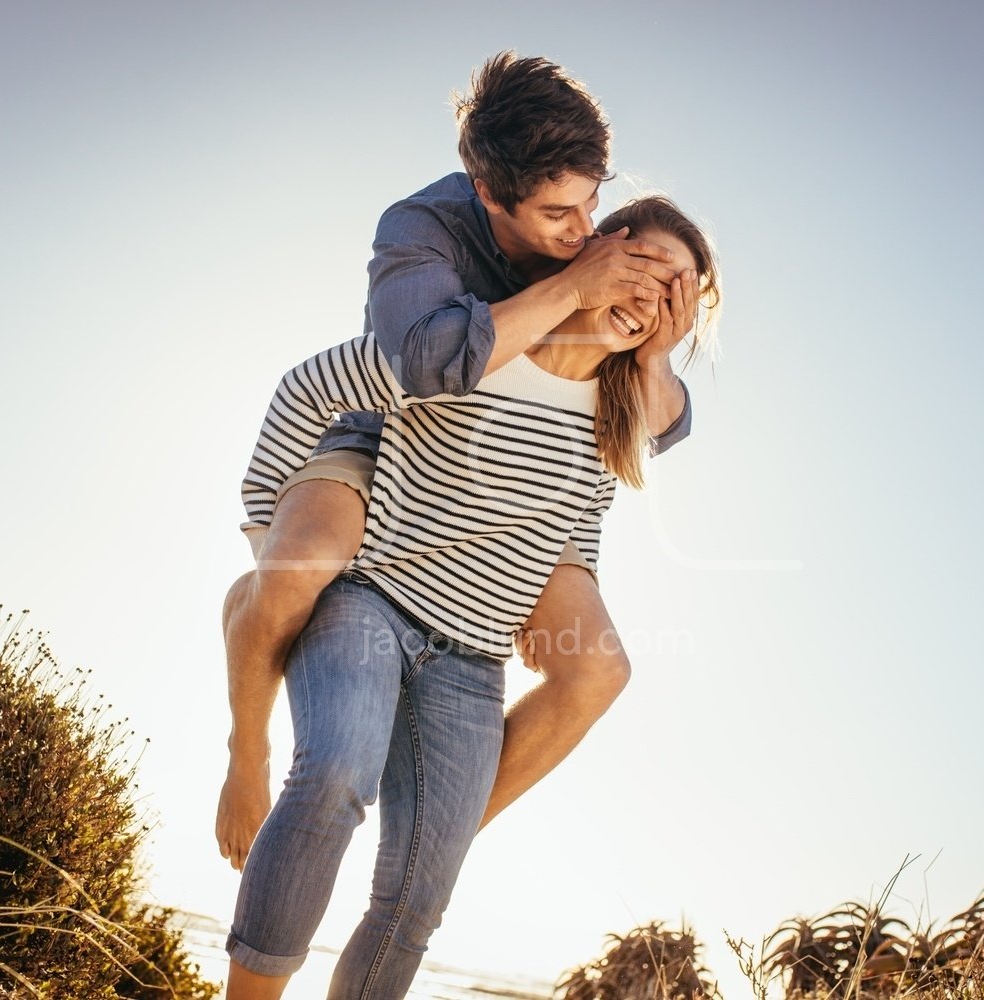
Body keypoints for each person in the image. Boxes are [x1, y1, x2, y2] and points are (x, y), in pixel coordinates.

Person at [226, 195, 721, 999]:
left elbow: (583, 514)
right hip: (371, 601)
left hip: (473, 658)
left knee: (418, 897)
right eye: (644, 269)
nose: (652, 298)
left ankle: (430, 833)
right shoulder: (473, 345)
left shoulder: (618, 418)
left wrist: (561, 590)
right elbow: (308, 388)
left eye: (678, 293)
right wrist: (265, 533)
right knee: (332, 779)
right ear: (597, 253)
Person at [218, 52, 692, 874]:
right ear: (489, 194)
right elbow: (423, 362)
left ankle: (435, 843)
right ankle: (246, 751)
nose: (582, 230)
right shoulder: (418, 231)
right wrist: (265, 520)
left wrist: (652, 354)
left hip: (506, 495)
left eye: (592, 202)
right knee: (295, 569)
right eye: (556, 215)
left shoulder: (592, 241)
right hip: (389, 436)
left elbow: (615, 447)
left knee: (598, 669)